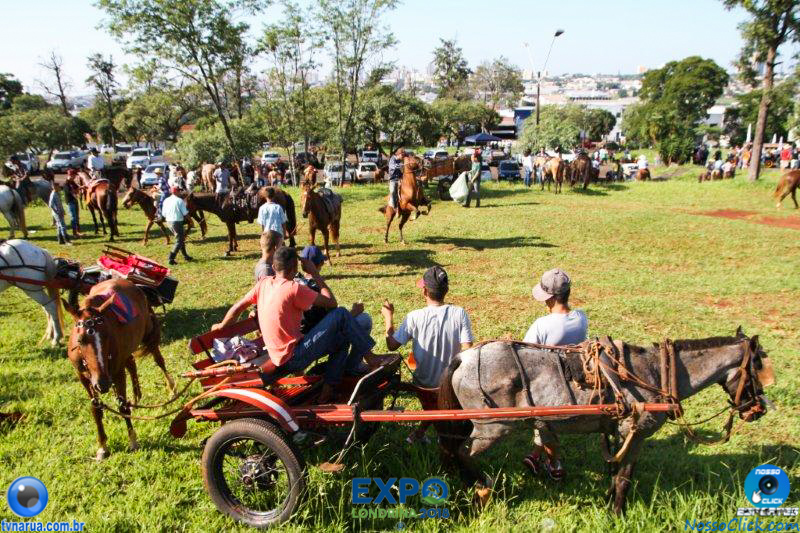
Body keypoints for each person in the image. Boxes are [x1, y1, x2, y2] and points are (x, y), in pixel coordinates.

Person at [211, 246, 374, 402]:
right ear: (295, 269)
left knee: (342, 339)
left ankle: (327, 392)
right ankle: (370, 357)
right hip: (293, 357)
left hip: (279, 355)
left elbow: (238, 307)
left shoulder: (263, 283)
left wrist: (222, 325)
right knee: (341, 314)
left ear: (274, 266)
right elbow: (332, 303)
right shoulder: (294, 288)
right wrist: (315, 272)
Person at [381, 266, 474, 443]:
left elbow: (391, 345)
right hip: (450, 384)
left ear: (424, 291)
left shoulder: (414, 317)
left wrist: (388, 317)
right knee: (441, 407)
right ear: (446, 290)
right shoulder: (459, 313)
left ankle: (422, 434)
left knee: (433, 406)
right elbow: (468, 350)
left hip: (422, 383)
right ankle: (430, 433)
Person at [522, 268, 588, 481]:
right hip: (575, 379)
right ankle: (535, 454)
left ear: (549, 297)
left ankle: (554, 461)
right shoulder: (581, 318)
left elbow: (526, 354)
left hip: (549, 382)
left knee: (542, 421)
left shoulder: (542, 325)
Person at [296, 245, 372, 336]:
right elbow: (332, 320)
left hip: (300, 334)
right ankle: (355, 351)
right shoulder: (317, 288)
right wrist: (354, 312)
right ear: (321, 263)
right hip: (317, 337)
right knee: (365, 319)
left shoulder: (294, 281)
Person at [161, 186, 193, 265]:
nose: (180, 192)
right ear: (175, 192)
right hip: (177, 222)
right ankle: (171, 258)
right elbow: (185, 214)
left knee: (181, 239)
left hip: (169, 221)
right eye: (179, 191)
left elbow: (163, 214)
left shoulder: (166, 200)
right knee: (179, 240)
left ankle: (185, 256)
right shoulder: (180, 201)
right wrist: (191, 221)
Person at [48, 181, 71, 245]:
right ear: (54, 187)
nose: (59, 188)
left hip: (60, 212)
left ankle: (60, 241)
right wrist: (57, 212)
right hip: (57, 213)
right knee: (63, 226)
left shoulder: (57, 193)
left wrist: (63, 210)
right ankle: (66, 241)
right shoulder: (53, 194)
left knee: (59, 226)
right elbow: (51, 205)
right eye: (58, 186)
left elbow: (59, 203)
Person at [64, 169, 82, 237]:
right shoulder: (66, 183)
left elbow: (77, 189)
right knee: (73, 217)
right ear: (70, 175)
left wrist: (80, 188)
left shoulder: (72, 182)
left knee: (77, 217)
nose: (75, 177)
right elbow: (71, 192)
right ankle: (74, 233)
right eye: (74, 176)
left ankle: (78, 231)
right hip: (70, 202)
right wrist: (76, 190)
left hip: (75, 201)